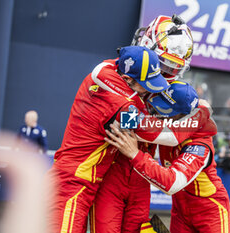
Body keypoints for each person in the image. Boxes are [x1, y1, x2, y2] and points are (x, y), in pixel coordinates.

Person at [91, 15, 215, 233]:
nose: (165, 76)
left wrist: (198, 112)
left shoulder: (172, 93)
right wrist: (198, 116)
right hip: (111, 174)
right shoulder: (118, 74)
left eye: (173, 70)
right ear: (146, 47)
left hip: (140, 181)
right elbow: (124, 122)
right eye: (162, 65)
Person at [48, 45, 171, 233]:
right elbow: (162, 134)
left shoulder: (108, 73)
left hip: (80, 182)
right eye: (145, 85)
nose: (146, 92)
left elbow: (106, 66)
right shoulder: (120, 105)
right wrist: (197, 120)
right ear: (128, 79)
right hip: (72, 184)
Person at [105, 82, 230, 233]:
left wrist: (135, 155)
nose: (158, 114)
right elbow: (125, 123)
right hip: (180, 209)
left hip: (209, 210)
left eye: (166, 110)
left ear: (183, 116)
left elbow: (172, 183)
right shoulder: (169, 127)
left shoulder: (200, 146)